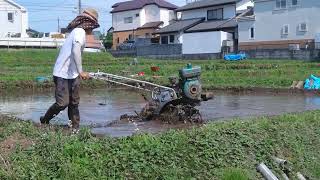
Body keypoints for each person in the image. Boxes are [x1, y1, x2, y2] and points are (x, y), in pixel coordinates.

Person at [40, 8, 100, 131]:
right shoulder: (79, 32)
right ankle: (45, 119)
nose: (92, 30)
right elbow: (75, 51)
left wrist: (77, 72)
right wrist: (81, 71)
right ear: (89, 24)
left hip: (72, 73)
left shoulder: (77, 32)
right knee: (62, 103)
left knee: (74, 103)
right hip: (62, 73)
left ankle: (75, 128)